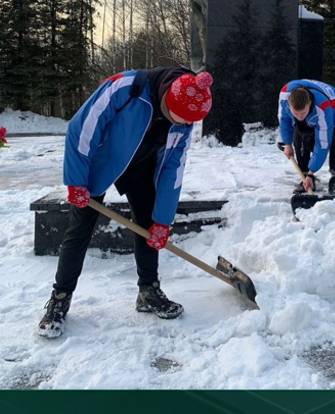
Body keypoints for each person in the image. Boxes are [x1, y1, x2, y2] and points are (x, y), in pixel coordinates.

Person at [37, 68, 214, 338]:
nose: (181, 124)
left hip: (141, 166)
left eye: (188, 122)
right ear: (168, 98)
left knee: (148, 222)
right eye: (176, 117)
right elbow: (81, 128)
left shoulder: (184, 122)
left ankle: (148, 291)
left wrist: (163, 221)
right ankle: (60, 297)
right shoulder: (127, 87)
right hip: (98, 162)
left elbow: (172, 170)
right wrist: (76, 181)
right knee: (81, 227)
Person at [278, 79, 335, 196]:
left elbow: (322, 143)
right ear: (289, 105)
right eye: (296, 113)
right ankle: (305, 175)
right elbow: (284, 120)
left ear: (309, 103)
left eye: (303, 113)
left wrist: (312, 172)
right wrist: (287, 144)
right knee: (299, 135)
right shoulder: (285, 97)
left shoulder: (322, 107)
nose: (300, 117)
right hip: (313, 108)